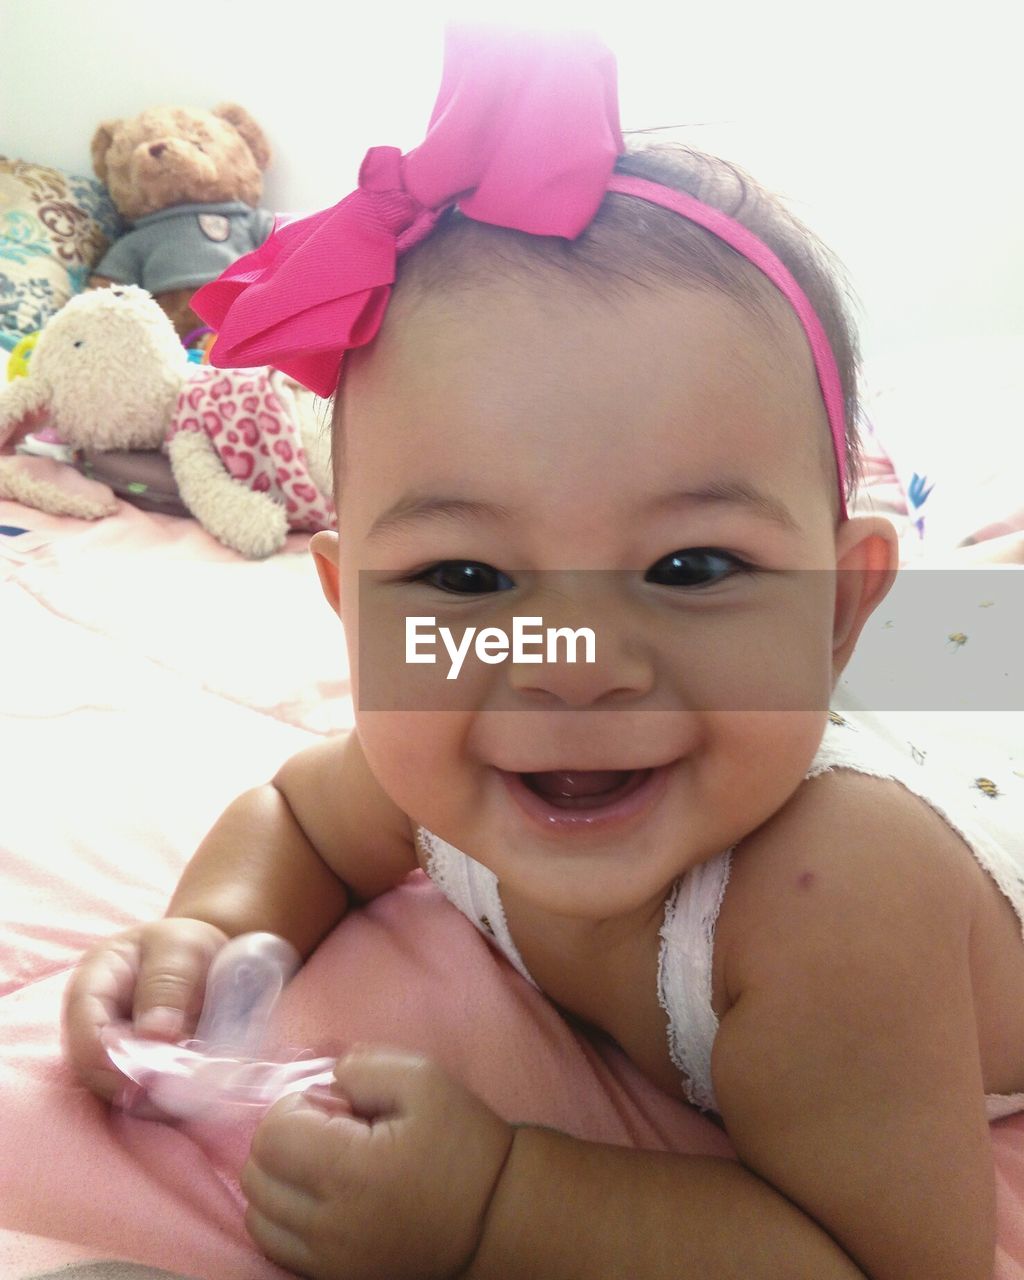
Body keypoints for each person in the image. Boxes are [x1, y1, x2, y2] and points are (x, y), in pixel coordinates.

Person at [62, 25, 1023, 1280]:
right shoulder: (443, 754)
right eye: (465, 577)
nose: (569, 663)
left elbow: (895, 1262)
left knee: (978, 647)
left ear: (837, 605)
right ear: (348, 606)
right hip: (879, 671)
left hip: (959, 757)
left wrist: (498, 1201)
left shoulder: (832, 902)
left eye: (689, 565)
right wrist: (204, 932)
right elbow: (297, 818)